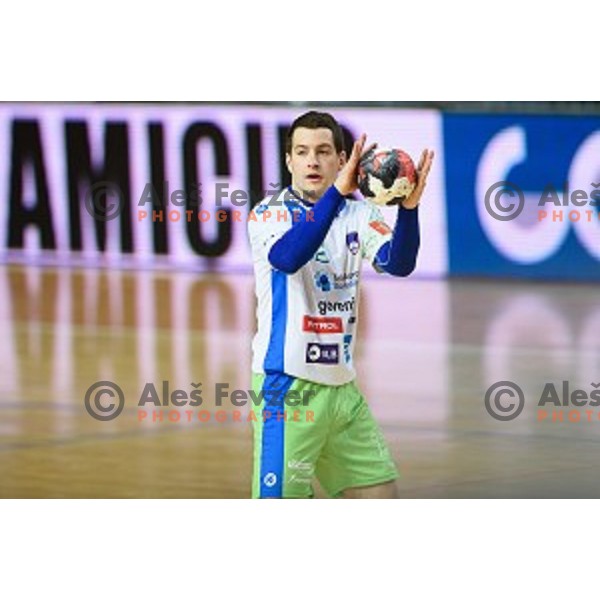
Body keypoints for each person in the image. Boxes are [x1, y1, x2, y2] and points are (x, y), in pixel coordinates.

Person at [247, 111, 434, 499]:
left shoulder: (360, 214)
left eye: (323, 151)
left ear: (343, 159)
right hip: (289, 390)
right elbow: (287, 257)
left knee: (380, 496)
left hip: (343, 392)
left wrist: (409, 210)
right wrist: (336, 196)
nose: (312, 161)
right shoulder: (269, 214)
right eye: (301, 152)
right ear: (288, 162)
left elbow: (398, 264)